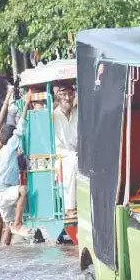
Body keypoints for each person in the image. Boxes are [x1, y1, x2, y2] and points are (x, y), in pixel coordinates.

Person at [0, 106, 30, 244]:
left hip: (1, 193)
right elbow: (20, 129)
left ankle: (3, 253)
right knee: (23, 190)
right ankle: (19, 224)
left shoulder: (5, 152)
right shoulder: (8, 149)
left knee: (8, 228)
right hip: (2, 193)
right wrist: (26, 105)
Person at [52, 83, 78, 219]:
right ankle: (70, 208)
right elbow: (57, 146)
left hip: (76, 153)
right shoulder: (53, 116)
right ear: (58, 97)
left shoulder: (77, 113)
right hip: (59, 156)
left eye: (70, 94)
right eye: (63, 95)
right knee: (73, 161)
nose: (67, 98)